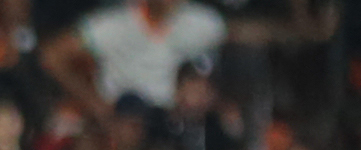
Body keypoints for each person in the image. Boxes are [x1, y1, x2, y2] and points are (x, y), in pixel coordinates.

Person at [40, 0, 335, 124]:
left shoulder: (194, 20)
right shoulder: (114, 23)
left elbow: (243, 32)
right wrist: (93, 101)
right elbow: (52, 55)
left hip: (168, 121)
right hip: (120, 117)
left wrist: (301, 31)